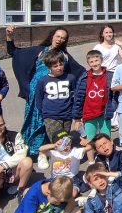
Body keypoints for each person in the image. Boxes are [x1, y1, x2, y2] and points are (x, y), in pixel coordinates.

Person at [6, 25, 84, 156]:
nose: (59, 39)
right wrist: (9, 36)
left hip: (53, 94)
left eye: (63, 38)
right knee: (34, 119)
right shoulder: (40, 51)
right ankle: (31, 148)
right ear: (52, 36)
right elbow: (13, 52)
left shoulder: (64, 56)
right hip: (36, 90)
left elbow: (80, 72)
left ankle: (46, 149)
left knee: (50, 121)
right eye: (58, 36)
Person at [34, 50, 79, 150]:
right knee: (57, 140)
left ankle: (67, 160)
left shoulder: (70, 78)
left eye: (61, 64)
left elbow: (75, 95)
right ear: (49, 67)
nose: (59, 68)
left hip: (67, 114)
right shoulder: (43, 80)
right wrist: (44, 114)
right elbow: (39, 99)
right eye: (55, 66)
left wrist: (75, 113)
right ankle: (58, 160)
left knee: (66, 138)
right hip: (51, 115)